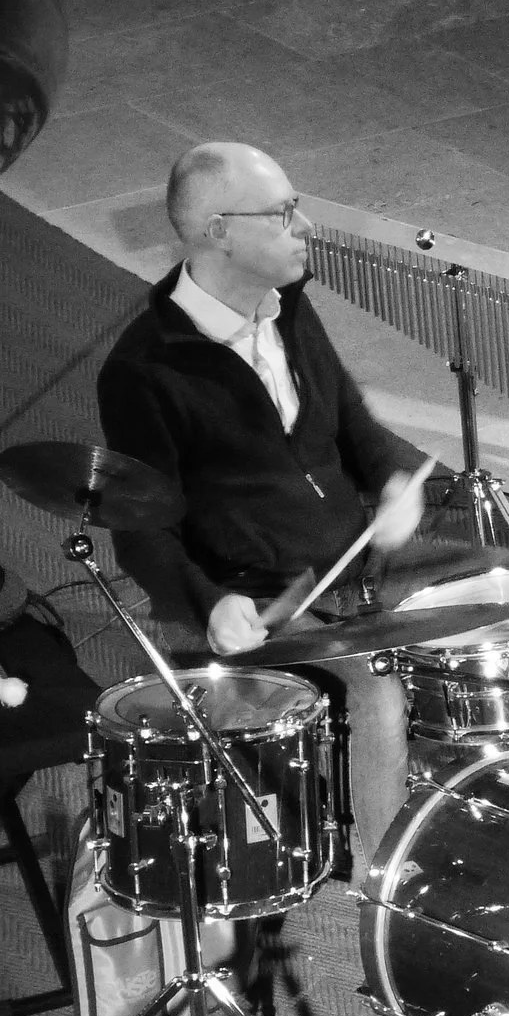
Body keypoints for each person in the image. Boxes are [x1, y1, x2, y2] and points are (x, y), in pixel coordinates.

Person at [99, 143, 430, 871]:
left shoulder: (289, 307)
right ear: (219, 232)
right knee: (378, 692)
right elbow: (139, 530)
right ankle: (384, 883)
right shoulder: (145, 369)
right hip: (263, 596)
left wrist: (393, 481)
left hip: (359, 565)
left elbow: (353, 423)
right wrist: (210, 602)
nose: (304, 226)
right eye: (281, 213)